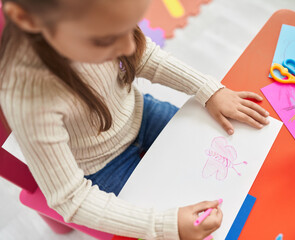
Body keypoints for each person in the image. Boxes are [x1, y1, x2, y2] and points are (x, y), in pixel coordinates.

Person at [0, 0, 269, 239]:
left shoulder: (95, 22)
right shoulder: (28, 99)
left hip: (140, 115)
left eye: (129, 27)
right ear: (28, 20)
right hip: (99, 168)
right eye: (107, 40)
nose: (129, 47)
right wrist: (165, 225)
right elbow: (71, 199)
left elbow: (144, 55)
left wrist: (208, 91)